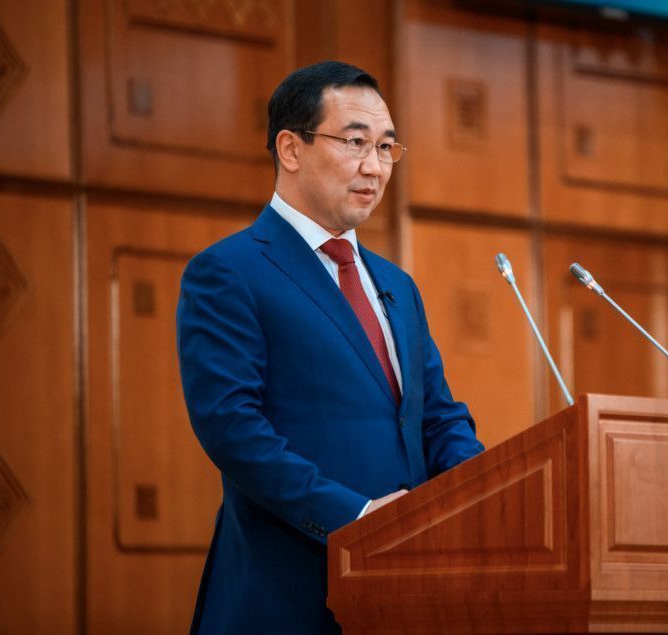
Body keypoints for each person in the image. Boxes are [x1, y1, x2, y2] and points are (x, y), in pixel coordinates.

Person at [176, 60, 485, 634]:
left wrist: (489, 497)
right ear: (291, 149)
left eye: (386, 147)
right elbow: (232, 428)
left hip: (403, 594)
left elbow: (437, 418)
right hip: (286, 592)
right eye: (355, 142)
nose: (375, 167)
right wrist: (355, 517)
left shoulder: (396, 284)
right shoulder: (229, 271)